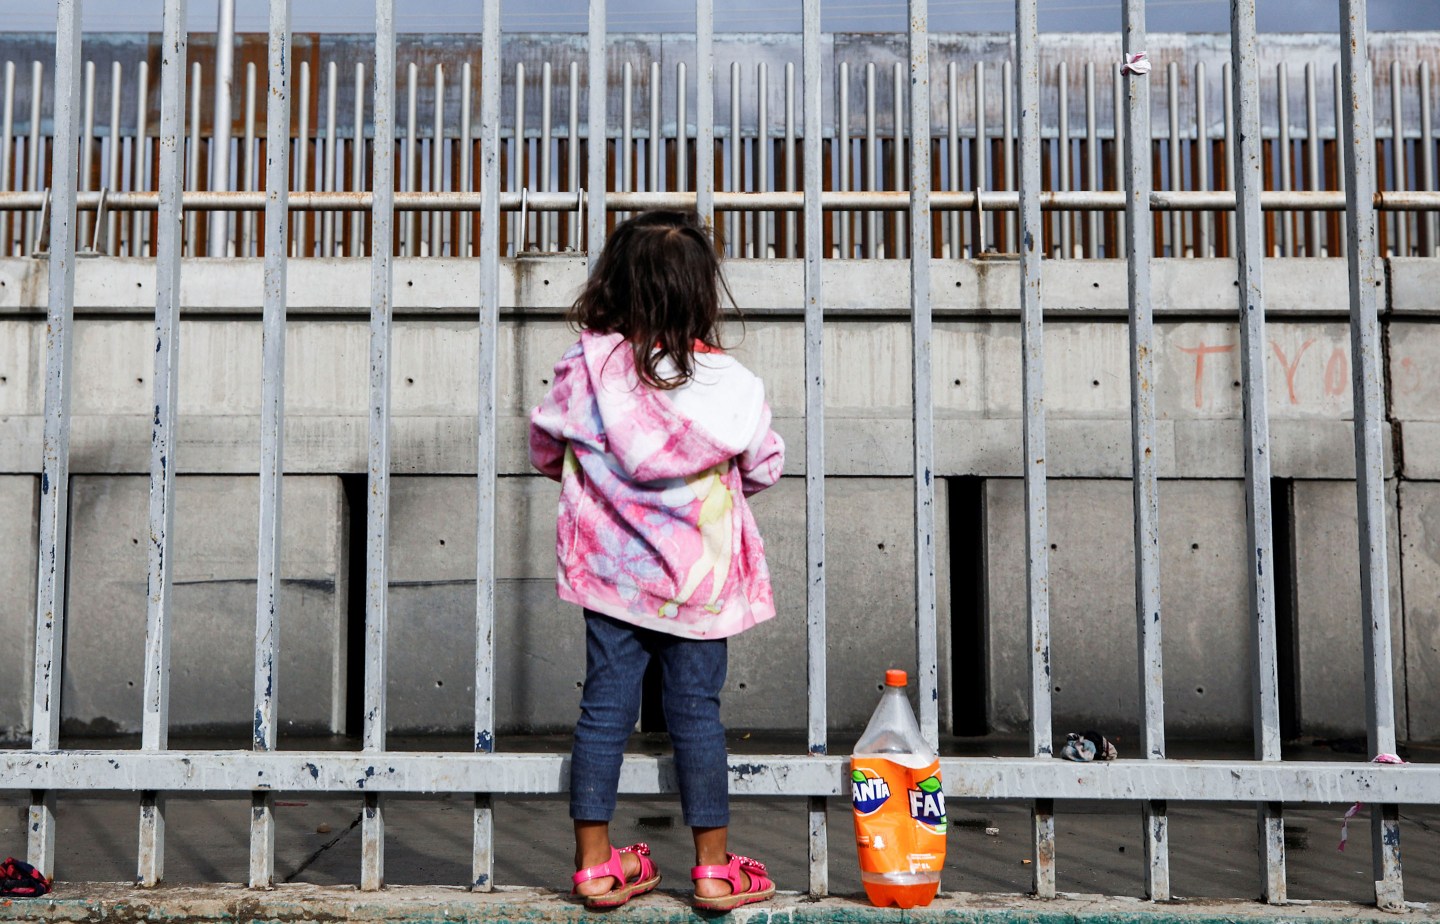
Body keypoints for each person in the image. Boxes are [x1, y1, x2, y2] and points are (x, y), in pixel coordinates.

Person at [529, 210, 784, 911]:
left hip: (613, 578)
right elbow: (763, 465)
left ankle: (595, 865)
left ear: (613, 284)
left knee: (603, 710)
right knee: (696, 713)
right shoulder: (730, 384)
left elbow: (546, 450)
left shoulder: (588, 368)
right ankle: (711, 866)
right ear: (701, 293)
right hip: (698, 582)